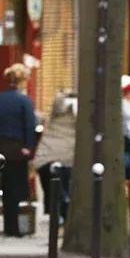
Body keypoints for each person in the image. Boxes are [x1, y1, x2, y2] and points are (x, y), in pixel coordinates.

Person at [0, 63, 37, 237]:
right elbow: (30, 124)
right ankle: (15, 227)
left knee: (4, 188)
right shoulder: (24, 100)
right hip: (17, 150)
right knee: (17, 189)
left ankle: (5, 226)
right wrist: (28, 147)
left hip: (0, 148)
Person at [32, 90, 76, 221]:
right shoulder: (78, 117)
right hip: (67, 159)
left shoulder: (54, 114)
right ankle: (64, 216)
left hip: (45, 158)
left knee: (51, 190)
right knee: (65, 189)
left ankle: (55, 216)